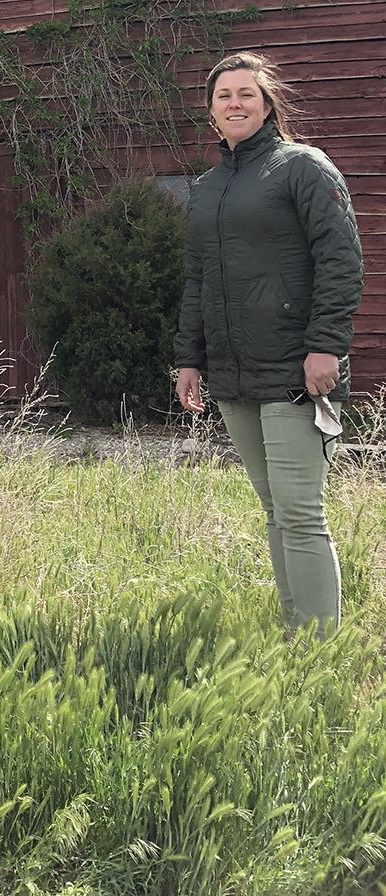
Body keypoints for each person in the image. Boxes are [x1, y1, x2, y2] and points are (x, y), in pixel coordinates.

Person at [174, 52, 363, 637]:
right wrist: (188, 358)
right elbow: (198, 277)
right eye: (223, 95)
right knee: (275, 511)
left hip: (294, 370)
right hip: (232, 376)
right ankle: (295, 630)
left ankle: (319, 645)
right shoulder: (207, 189)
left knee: (302, 513)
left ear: (267, 103)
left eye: (246, 94)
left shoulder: (303, 168)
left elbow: (341, 260)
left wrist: (325, 345)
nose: (235, 102)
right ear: (210, 113)